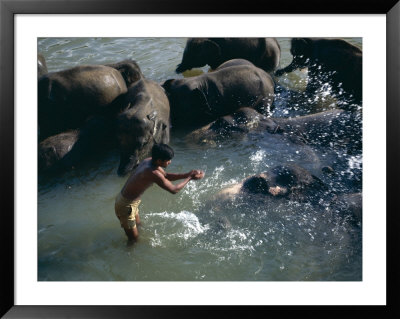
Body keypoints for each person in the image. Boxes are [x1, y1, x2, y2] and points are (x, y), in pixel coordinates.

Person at [114, 143, 205, 243]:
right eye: (168, 160)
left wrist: (187, 174)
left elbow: (165, 175)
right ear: (159, 161)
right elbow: (174, 190)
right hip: (126, 206)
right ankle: (130, 256)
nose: (170, 162)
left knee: (139, 225)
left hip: (128, 201)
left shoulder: (148, 161)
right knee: (133, 240)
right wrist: (190, 178)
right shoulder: (153, 173)